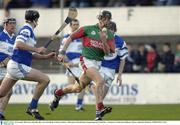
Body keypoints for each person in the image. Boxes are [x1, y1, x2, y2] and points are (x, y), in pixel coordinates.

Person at [50, 10, 115, 120]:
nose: (105, 21)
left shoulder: (109, 34)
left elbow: (108, 52)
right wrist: (62, 52)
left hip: (97, 64)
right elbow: (71, 37)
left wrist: (104, 41)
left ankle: (58, 93)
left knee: (77, 88)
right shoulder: (88, 29)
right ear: (99, 18)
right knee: (100, 81)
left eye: (107, 19)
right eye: (103, 18)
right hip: (86, 61)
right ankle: (99, 109)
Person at [0, 10, 56, 120]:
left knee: (2, 93)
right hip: (17, 65)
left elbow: (29, 53)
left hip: (13, 65)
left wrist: (45, 57)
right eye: (37, 20)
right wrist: (37, 49)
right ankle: (32, 107)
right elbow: (19, 44)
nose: (37, 22)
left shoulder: (28, 31)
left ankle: (32, 107)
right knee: (45, 80)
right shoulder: (27, 29)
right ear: (35, 20)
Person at [90, 21, 128, 120]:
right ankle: (98, 116)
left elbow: (123, 59)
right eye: (107, 31)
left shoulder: (120, 42)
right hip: (100, 67)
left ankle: (98, 113)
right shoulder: (100, 38)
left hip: (111, 71)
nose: (108, 34)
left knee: (101, 97)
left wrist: (119, 75)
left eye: (111, 31)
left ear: (115, 31)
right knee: (97, 88)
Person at [60, 19, 85, 111]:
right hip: (72, 65)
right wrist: (68, 61)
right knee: (71, 87)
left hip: (81, 65)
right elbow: (62, 52)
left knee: (82, 85)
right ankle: (57, 97)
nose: (76, 26)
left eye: (77, 24)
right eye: (74, 24)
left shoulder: (82, 37)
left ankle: (79, 105)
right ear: (70, 26)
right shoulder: (66, 37)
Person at [0, 17, 16, 120]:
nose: (13, 25)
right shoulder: (1, 36)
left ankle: (0, 113)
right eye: (10, 23)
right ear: (5, 24)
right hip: (1, 66)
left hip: (8, 69)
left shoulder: (15, 38)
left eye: (14, 23)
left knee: (7, 92)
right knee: (6, 91)